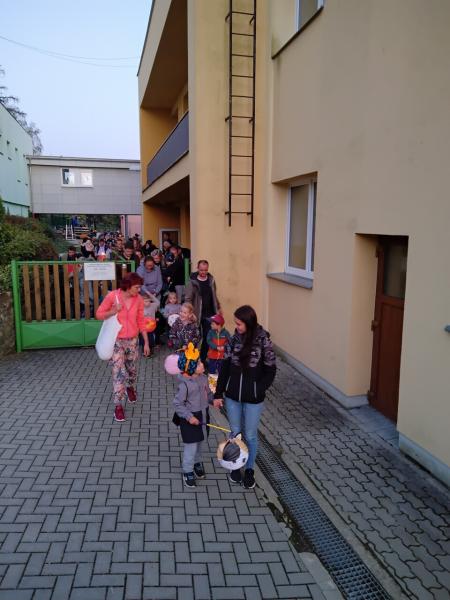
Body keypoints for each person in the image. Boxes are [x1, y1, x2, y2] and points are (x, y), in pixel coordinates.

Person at [214, 305, 276, 489]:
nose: (237, 327)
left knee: (250, 435)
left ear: (249, 323)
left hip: (254, 399)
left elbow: (271, 369)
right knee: (235, 433)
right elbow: (225, 367)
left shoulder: (263, 341)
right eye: (236, 323)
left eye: (239, 324)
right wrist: (218, 393)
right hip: (233, 397)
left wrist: (259, 388)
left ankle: (249, 469)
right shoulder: (233, 340)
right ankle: (235, 465)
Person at [96, 272, 150, 422]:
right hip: (116, 341)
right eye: (137, 287)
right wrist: (113, 311)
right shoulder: (112, 296)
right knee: (118, 372)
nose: (139, 290)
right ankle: (118, 405)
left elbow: (141, 320)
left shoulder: (138, 299)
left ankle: (130, 387)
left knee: (132, 370)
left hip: (132, 340)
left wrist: (146, 342)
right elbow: (99, 314)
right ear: (128, 285)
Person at [172, 343, 223, 487]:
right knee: (191, 447)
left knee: (200, 442)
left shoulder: (203, 378)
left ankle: (197, 463)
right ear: (191, 368)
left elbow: (208, 394)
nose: (202, 364)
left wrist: (214, 401)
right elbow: (177, 404)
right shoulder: (184, 386)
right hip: (191, 419)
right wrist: (189, 417)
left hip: (203, 415)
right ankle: (187, 470)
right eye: (199, 363)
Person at [185, 260, 221, 363]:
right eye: (201, 270)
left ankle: (202, 359)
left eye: (205, 270)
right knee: (194, 338)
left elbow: (214, 295)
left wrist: (218, 308)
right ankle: (192, 360)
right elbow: (188, 299)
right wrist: (190, 313)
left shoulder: (211, 280)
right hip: (196, 314)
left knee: (207, 337)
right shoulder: (192, 281)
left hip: (209, 314)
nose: (203, 272)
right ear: (197, 268)